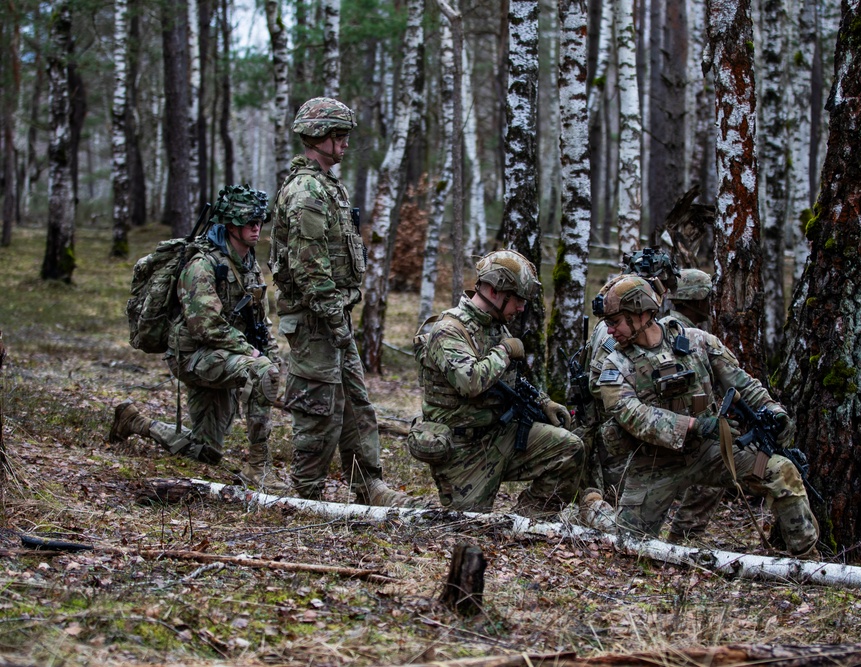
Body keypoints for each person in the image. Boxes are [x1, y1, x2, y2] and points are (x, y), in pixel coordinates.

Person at [593, 275, 818, 556]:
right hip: (654, 464)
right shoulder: (614, 366)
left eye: (615, 322)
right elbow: (633, 416)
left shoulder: (697, 342)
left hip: (713, 453)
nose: (610, 330)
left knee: (781, 470)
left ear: (641, 313)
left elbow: (742, 383)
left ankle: (805, 560)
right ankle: (593, 507)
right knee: (627, 545)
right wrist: (694, 425)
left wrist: (773, 410)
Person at [269, 97, 412, 506]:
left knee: (355, 403)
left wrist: (338, 317)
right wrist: (332, 317)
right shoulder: (307, 192)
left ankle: (368, 483)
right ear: (319, 138)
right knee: (318, 408)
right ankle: (307, 493)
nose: (346, 144)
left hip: (333, 317)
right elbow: (308, 267)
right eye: (339, 136)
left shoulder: (328, 184)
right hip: (316, 320)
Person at [109, 185, 284, 490]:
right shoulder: (202, 265)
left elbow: (260, 320)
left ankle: (135, 421)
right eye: (249, 222)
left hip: (224, 355)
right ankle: (259, 469)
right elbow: (206, 325)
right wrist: (253, 355)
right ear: (230, 225)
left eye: (260, 221)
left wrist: (271, 352)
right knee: (262, 373)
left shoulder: (249, 264)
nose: (257, 228)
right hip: (193, 357)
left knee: (206, 452)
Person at [409, 249, 587, 516]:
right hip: (462, 451)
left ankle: (526, 521)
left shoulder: (495, 326)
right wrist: (503, 352)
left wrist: (543, 402)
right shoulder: (449, 330)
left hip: (498, 435)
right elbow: (469, 383)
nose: (522, 308)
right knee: (466, 526)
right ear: (494, 291)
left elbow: (510, 382)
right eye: (517, 299)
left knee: (570, 448)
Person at [584, 252, 722, 542]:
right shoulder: (617, 329)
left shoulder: (667, 329)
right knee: (629, 531)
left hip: (668, 431)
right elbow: (601, 386)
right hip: (630, 435)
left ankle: (686, 537)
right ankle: (592, 508)